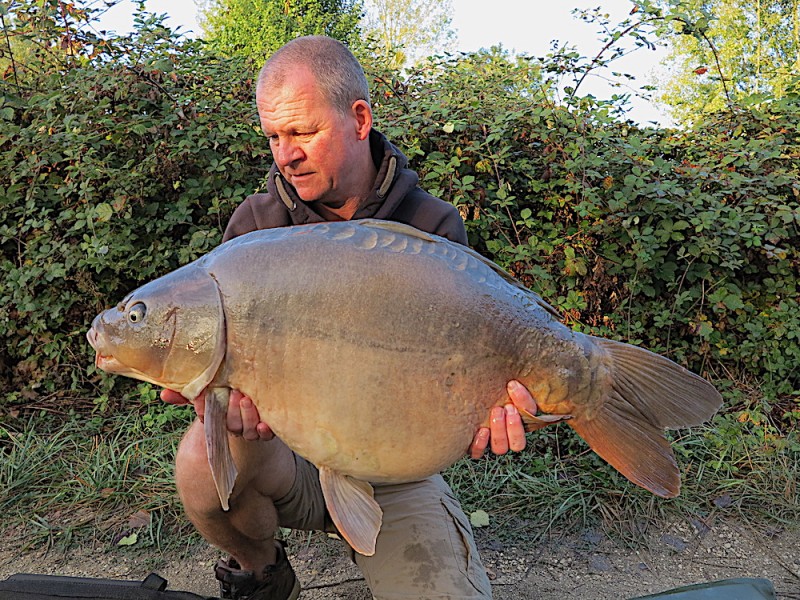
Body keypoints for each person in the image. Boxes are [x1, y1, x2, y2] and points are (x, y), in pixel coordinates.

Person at [161, 35, 539, 600]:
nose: (285, 154)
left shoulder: (430, 226)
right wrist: (216, 395)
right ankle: (262, 570)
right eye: (274, 136)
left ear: (359, 119)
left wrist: (484, 416)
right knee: (199, 459)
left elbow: (462, 384)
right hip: (285, 453)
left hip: (394, 468)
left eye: (303, 132)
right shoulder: (255, 229)